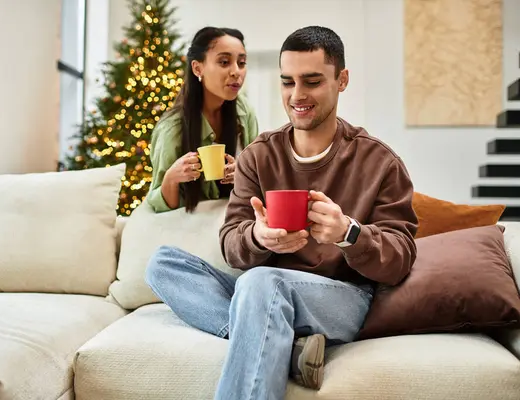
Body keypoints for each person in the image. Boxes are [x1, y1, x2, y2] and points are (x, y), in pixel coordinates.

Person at [145, 25, 418, 399]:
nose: (297, 95)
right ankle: (288, 350)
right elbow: (231, 243)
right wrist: (256, 237)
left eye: (312, 81)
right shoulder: (259, 156)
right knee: (163, 264)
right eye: (287, 82)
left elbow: (400, 258)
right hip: (264, 289)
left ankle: (265, 332)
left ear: (342, 80)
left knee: (260, 283)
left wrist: (348, 233)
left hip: (342, 297)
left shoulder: (378, 161)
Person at [146, 26, 259, 213]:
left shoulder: (244, 111)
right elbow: (161, 208)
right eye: (224, 62)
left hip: (233, 222)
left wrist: (245, 173)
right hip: (189, 227)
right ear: (198, 68)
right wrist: (172, 178)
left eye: (241, 62)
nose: (236, 72)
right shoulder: (172, 127)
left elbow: (259, 178)